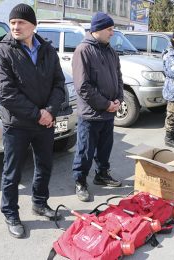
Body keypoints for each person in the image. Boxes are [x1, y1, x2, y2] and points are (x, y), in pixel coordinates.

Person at [0, 3, 66, 238]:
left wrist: (51, 111)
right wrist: (38, 114)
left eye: (21, 22)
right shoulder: (2, 52)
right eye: (13, 22)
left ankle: (40, 203)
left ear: (33, 26)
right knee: (12, 172)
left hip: (45, 122)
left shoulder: (47, 50)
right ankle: (10, 213)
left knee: (44, 165)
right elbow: (6, 93)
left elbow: (59, 84)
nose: (15, 26)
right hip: (17, 124)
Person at [71, 12, 123, 202]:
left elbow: (118, 77)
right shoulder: (83, 50)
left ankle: (102, 174)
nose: (112, 32)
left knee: (105, 148)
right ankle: (80, 181)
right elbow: (83, 86)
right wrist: (106, 104)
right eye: (109, 29)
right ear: (98, 30)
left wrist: (118, 99)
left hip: (109, 112)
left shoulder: (110, 50)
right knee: (85, 150)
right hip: (91, 114)